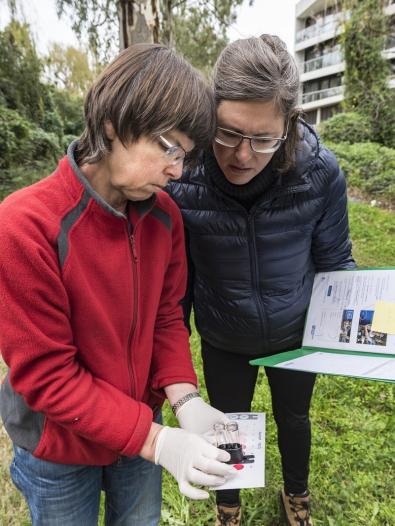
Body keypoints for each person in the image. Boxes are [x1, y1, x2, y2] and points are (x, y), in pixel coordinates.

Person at [0, 43, 235, 526]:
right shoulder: (24, 226)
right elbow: (48, 376)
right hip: (59, 448)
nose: (177, 171)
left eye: (186, 157)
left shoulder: (165, 217)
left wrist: (184, 399)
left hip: (138, 430)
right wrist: (159, 441)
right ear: (113, 122)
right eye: (170, 149)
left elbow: (167, 315)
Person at [167, 35, 355, 526]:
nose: (243, 156)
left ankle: (296, 498)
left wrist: (356, 324)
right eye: (228, 133)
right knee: (228, 427)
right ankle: (229, 508)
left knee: (295, 419)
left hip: (296, 336)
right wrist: (171, 368)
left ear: (289, 127)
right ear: (210, 114)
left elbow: (335, 260)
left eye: (264, 140)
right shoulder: (182, 179)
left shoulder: (319, 174)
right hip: (225, 337)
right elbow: (177, 285)